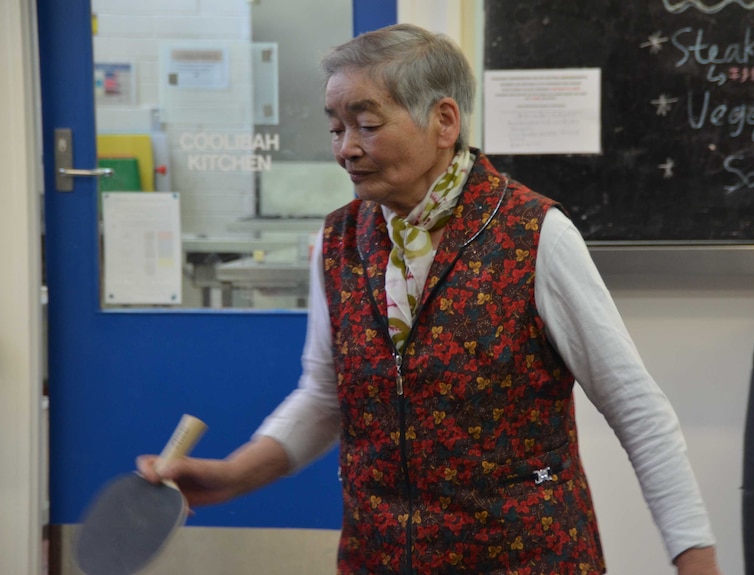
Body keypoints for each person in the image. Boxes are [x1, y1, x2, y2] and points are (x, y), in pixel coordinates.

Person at [138, 23, 723, 575]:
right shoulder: (338, 242)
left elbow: (636, 410)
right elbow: (324, 396)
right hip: (381, 554)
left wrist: (693, 557)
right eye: (335, 127)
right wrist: (233, 475)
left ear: (444, 120)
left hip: (525, 557)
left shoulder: (532, 233)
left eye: (366, 123)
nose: (345, 149)